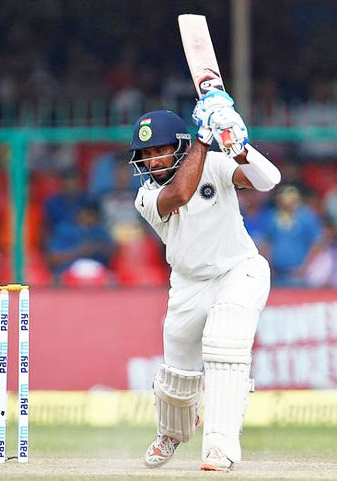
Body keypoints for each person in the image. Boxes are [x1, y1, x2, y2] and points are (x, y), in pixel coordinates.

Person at [129, 92, 281, 472]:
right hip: (187, 285)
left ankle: (220, 446)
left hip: (239, 270)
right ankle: (172, 432)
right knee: (178, 374)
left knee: (225, 345)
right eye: (146, 154)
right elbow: (180, 192)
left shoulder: (214, 163)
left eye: (160, 151)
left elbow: (269, 181)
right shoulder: (147, 195)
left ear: (178, 147)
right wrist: (203, 135)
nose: (152, 160)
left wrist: (240, 147)